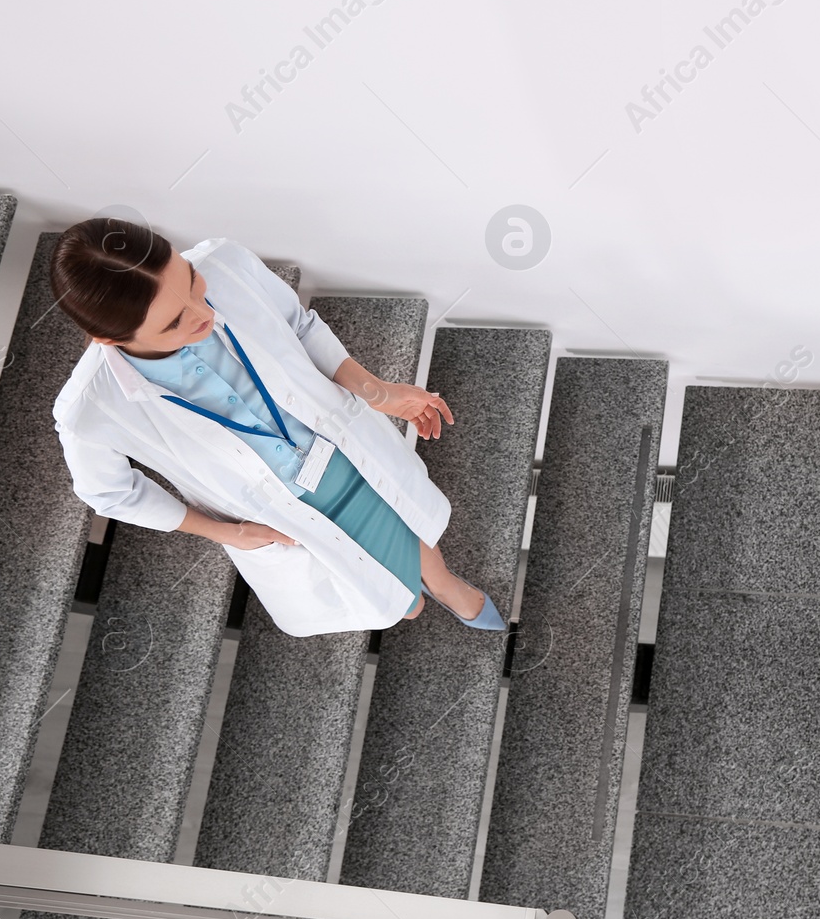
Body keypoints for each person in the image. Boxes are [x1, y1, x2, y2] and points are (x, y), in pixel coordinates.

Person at [50, 217, 504, 637]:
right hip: (280, 509)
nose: (202, 312)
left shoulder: (226, 262)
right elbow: (108, 493)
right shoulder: (89, 409)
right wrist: (225, 533)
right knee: (398, 605)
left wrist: (376, 391)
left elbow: (299, 326)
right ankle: (425, 593)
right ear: (110, 340)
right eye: (174, 323)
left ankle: (445, 586)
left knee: (409, 535)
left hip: (343, 453)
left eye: (190, 280)